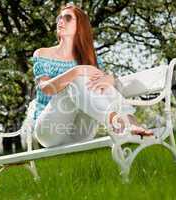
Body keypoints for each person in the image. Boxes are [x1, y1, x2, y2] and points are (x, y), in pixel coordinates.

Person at [32, 3, 153, 148]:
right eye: (59, 17)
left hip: (81, 132)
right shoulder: (43, 53)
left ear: (80, 26)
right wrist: (76, 71)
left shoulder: (90, 59)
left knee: (101, 84)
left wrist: (110, 79)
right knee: (77, 79)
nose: (60, 21)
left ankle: (130, 123)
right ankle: (118, 123)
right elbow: (46, 88)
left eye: (68, 18)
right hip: (49, 132)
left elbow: (103, 91)